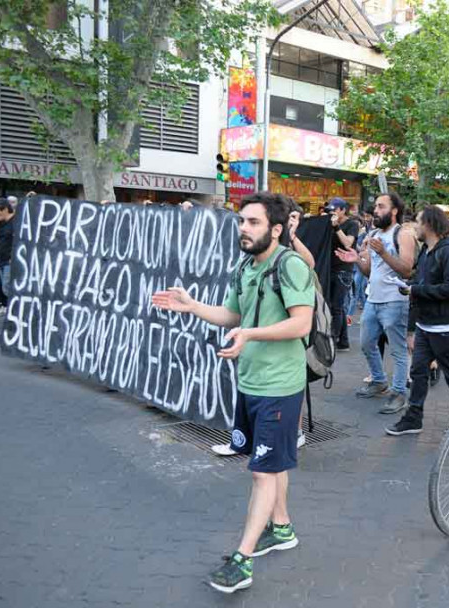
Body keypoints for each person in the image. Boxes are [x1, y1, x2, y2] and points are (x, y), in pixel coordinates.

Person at [152, 192, 315, 593]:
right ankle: (281, 528)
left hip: (280, 386)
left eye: (253, 222)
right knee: (272, 465)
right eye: (241, 221)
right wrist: (192, 306)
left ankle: (241, 561)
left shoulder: (291, 266)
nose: (243, 228)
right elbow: (233, 315)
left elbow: (301, 325)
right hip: (251, 382)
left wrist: (250, 334)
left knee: (261, 471)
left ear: (276, 229)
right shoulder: (245, 266)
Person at [385, 206, 449, 436]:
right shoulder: (426, 251)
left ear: (430, 225)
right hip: (426, 324)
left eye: (418, 222)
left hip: (445, 326)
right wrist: (413, 324)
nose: (415, 227)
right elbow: (421, 284)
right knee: (418, 372)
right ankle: (414, 417)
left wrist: (416, 289)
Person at [336, 192, 416, 414]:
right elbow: (370, 270)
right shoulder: (372, 234)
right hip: (373, 298)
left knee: (398, 351)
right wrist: (357, 260)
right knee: (367, 343)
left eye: (381, 207)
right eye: (376, 206)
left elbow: (407, 269)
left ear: (394, 211)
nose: (375, 210)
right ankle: (379, 380)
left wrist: (383, 252)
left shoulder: (403, 234)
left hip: (395, 300)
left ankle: (398, 392)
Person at [325, 198, 359, 352]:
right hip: (330, 268)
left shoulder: (351, 224)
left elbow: (347, 243)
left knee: (336, 307)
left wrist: (336, 227)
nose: (332, 213)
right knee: (336, 306)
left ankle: (333, 338)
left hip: (343, 270)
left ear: (343, 210)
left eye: (335, 210)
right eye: (330, 210)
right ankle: (343, 341)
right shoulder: (328, 223)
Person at [0, 198, 16, 316]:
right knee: (5, 287)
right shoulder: (0, 224)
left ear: (5, 210)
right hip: (2, 259)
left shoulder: (15, 221)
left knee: (7, 287)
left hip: (11, 260)